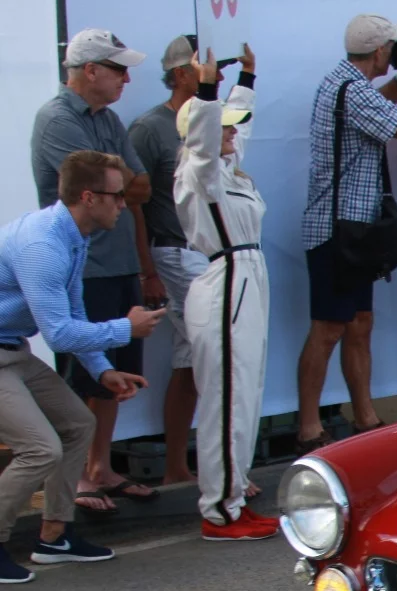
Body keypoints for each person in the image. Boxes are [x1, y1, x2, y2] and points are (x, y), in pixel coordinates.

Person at [0, 150, 161, 582]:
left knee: (77, 424)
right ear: (88, 197)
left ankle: (54, 537)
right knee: (40, 448)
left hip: (10, 349)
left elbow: (74, 314)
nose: (124, 204)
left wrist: (102, 370)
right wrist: (126, 329)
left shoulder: (72, 236)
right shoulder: (42, 246)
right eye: (117, 196)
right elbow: (58, 335)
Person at [31, 28, 160, 515]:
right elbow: (110, 186)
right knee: (83, 373)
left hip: (118, 261)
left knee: (115, 372)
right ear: (90, 70)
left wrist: (121, 189)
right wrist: (121, 185)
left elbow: (138, 188)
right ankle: (77, 476)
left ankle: (100, 466)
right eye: (118, 69)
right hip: (84, 266)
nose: (127, 79)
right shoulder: (56, 119)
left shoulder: (107, 119)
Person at [295, 16, 397, 452]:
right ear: (379, 51)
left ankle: (366, 418)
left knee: (358, 324)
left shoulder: (347, 84)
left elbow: (379, 108)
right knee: (328, 328)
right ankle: (308, 427)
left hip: (351, 228)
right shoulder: (353, 91)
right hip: (338, 230)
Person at [130, 35, 254, 487]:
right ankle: (217, 473)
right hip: (177, 252)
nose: (217, 76)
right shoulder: (150, 128)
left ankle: (188, 467)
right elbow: (134, 202)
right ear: (183, 73)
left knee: (193, 361)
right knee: (214, 358)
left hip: (205, 256)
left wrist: (248, 79)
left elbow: (236, 132)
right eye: (209, 70)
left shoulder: (219, 126)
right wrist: (147, 269)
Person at [173, 50, 275, 541]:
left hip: (246, 279)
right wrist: (207, 90)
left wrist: (246, 78)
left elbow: (241, 129)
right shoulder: (200, 173)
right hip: (226, 283)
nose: (233, 132)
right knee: (227, 399)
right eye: (223, 127)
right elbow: (203, 141)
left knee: (245, 394)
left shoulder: (228, 170)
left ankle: (234, 496)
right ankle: (219, 510)